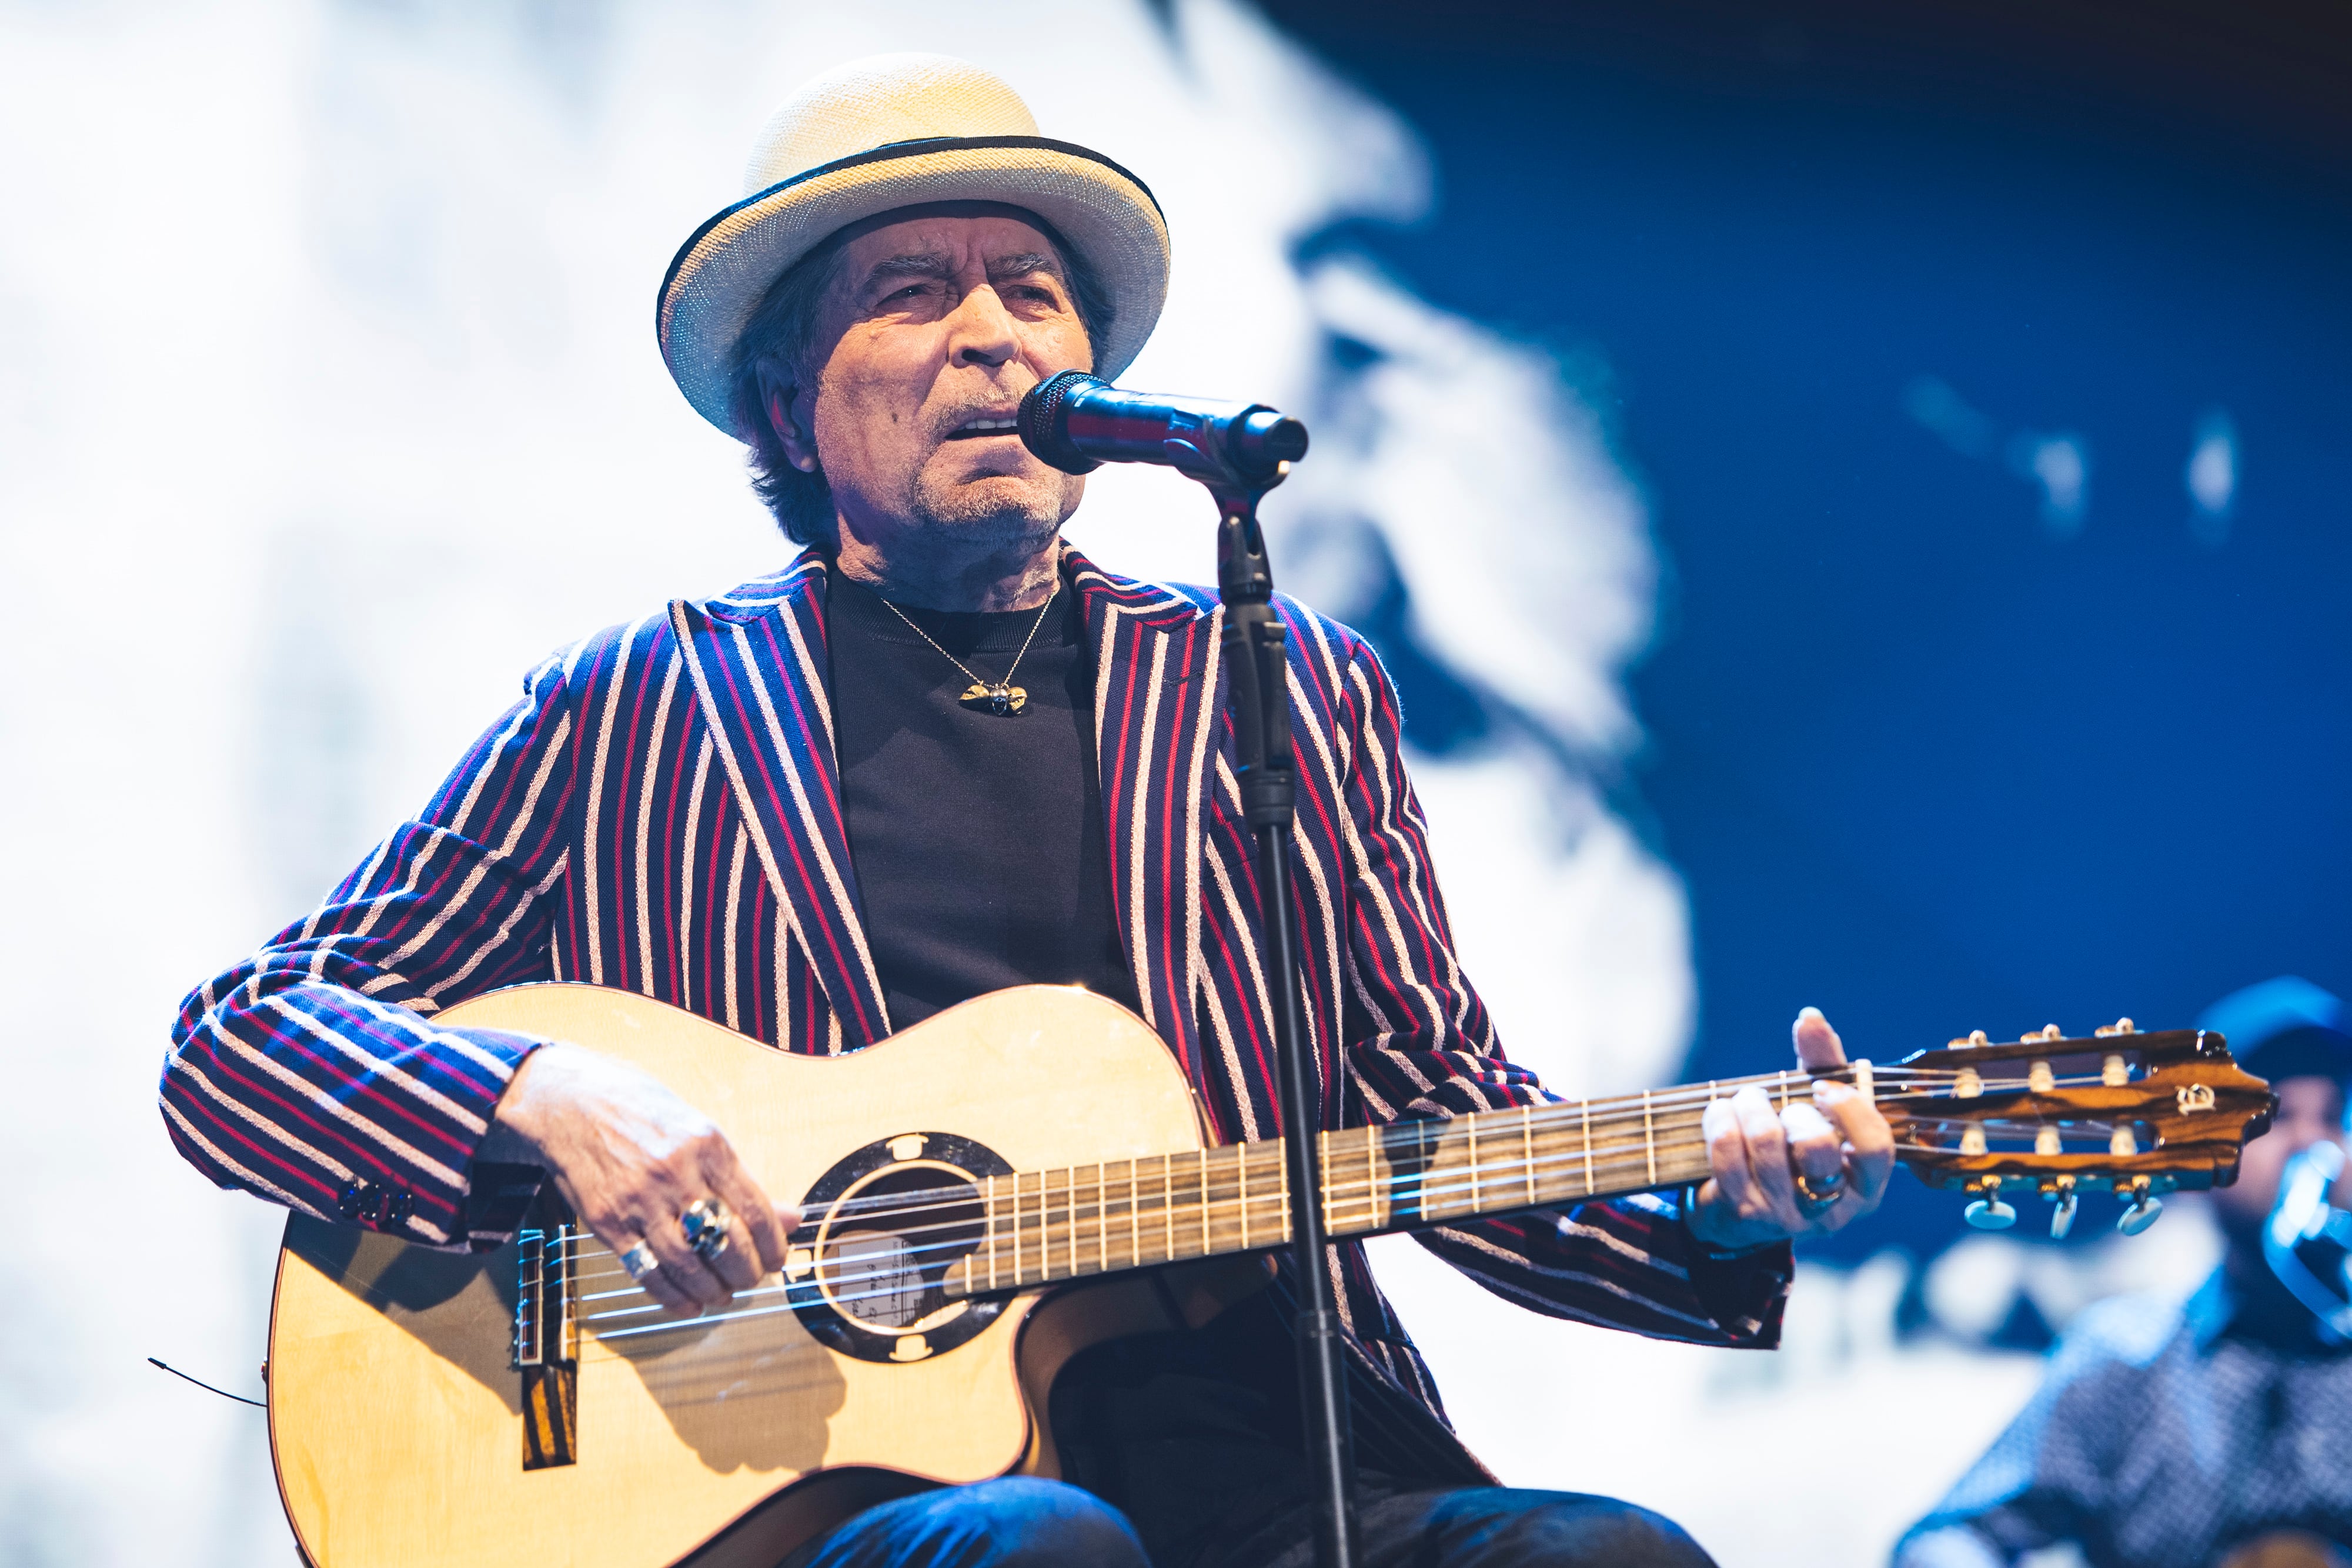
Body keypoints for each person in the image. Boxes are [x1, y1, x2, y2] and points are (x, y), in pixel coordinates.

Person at [162, 54, 1895, 1568]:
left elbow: (1435, 1119)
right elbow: (232, 1045)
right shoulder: (639, 701)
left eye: (1032, 293)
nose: (990, 330)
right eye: (913, 292)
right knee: (1037, 1544)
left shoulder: (1276, 681)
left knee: (1608, 1552)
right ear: (789, 401)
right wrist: (547, 1094)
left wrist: (1711, 1204)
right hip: (805, 1500)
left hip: (1254, 1453)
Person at [1895, 978, 2352, 1568]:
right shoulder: (2127, 1358)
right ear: (2193, 1157)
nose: (2314, 1143)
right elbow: (1947, 1541)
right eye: (2276, 1117)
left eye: (2335, 1114)